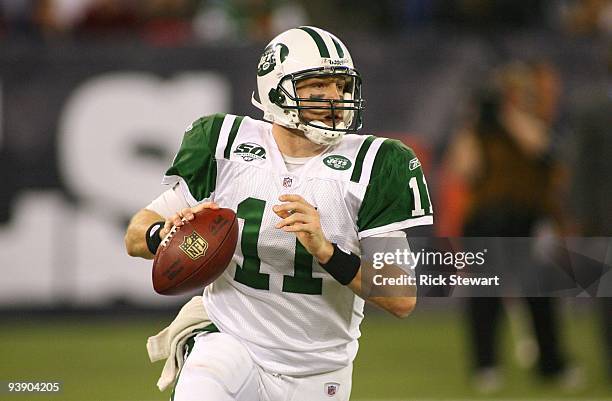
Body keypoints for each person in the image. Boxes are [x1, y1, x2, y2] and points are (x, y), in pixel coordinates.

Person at [125, 26, 433, 401]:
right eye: (319, 85)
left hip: (318, 370)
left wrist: (328, 252)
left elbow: (400, 296)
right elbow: (135, 236)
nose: (336, 97)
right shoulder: (226, 143)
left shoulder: (376, 164)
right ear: (277, 89)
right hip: (231, 342)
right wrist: (166, 232)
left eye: (341, 85)